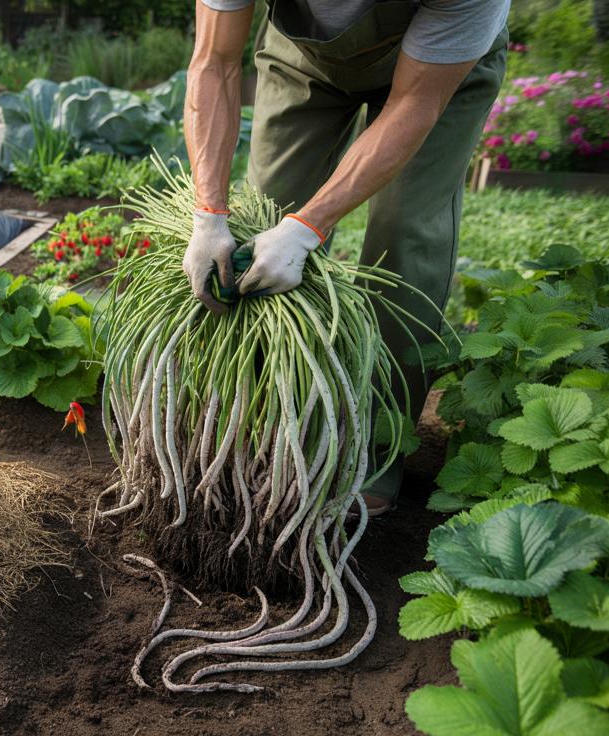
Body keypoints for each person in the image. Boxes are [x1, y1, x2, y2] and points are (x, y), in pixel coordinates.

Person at [181, 0, 510, 514]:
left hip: (437, 77)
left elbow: (412, 104)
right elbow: (215, 61)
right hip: (303, 60)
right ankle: (273, 422)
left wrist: (309, 229)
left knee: (404, 231)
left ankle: (376, 444)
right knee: (270, 214)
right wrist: (209, 213)